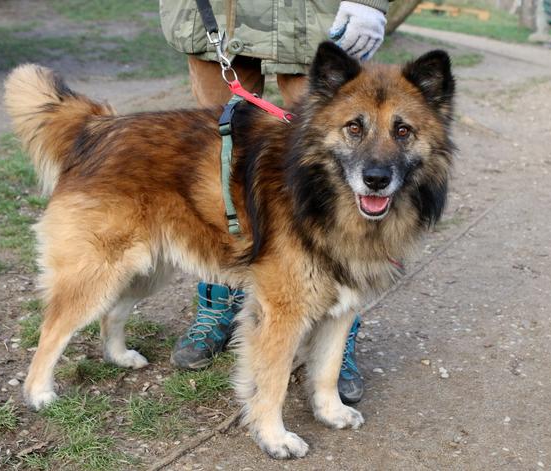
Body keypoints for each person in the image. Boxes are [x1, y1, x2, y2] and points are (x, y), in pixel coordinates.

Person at [160, 0, 389, 404]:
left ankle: (335, 323)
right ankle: (220, 299)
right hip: (216, 10)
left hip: (313, 11)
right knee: (220, 160)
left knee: (334, 148)